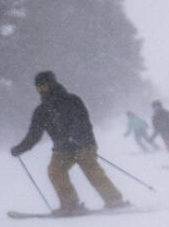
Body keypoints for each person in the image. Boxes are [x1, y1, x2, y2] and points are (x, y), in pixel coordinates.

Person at [9, 70, 127, 214]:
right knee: (55, 171)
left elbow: (83, 121)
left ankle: (114, 199)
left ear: (52, 84)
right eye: (39, 88)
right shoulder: (41, 111)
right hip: (63, 148)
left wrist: (74, 134)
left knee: (90, 169)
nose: (42, 91)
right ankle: (70, 204)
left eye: (44, 87)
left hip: (82, 143)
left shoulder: (71, 100)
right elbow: (34, 135)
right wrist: (20, 148)